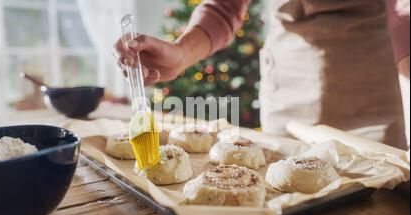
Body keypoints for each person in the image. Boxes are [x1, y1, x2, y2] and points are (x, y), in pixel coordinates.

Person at [114, 0, 410, 151]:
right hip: (284, 98)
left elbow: (403, 12)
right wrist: (182, 53)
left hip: (376, 94)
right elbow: (224, 6)